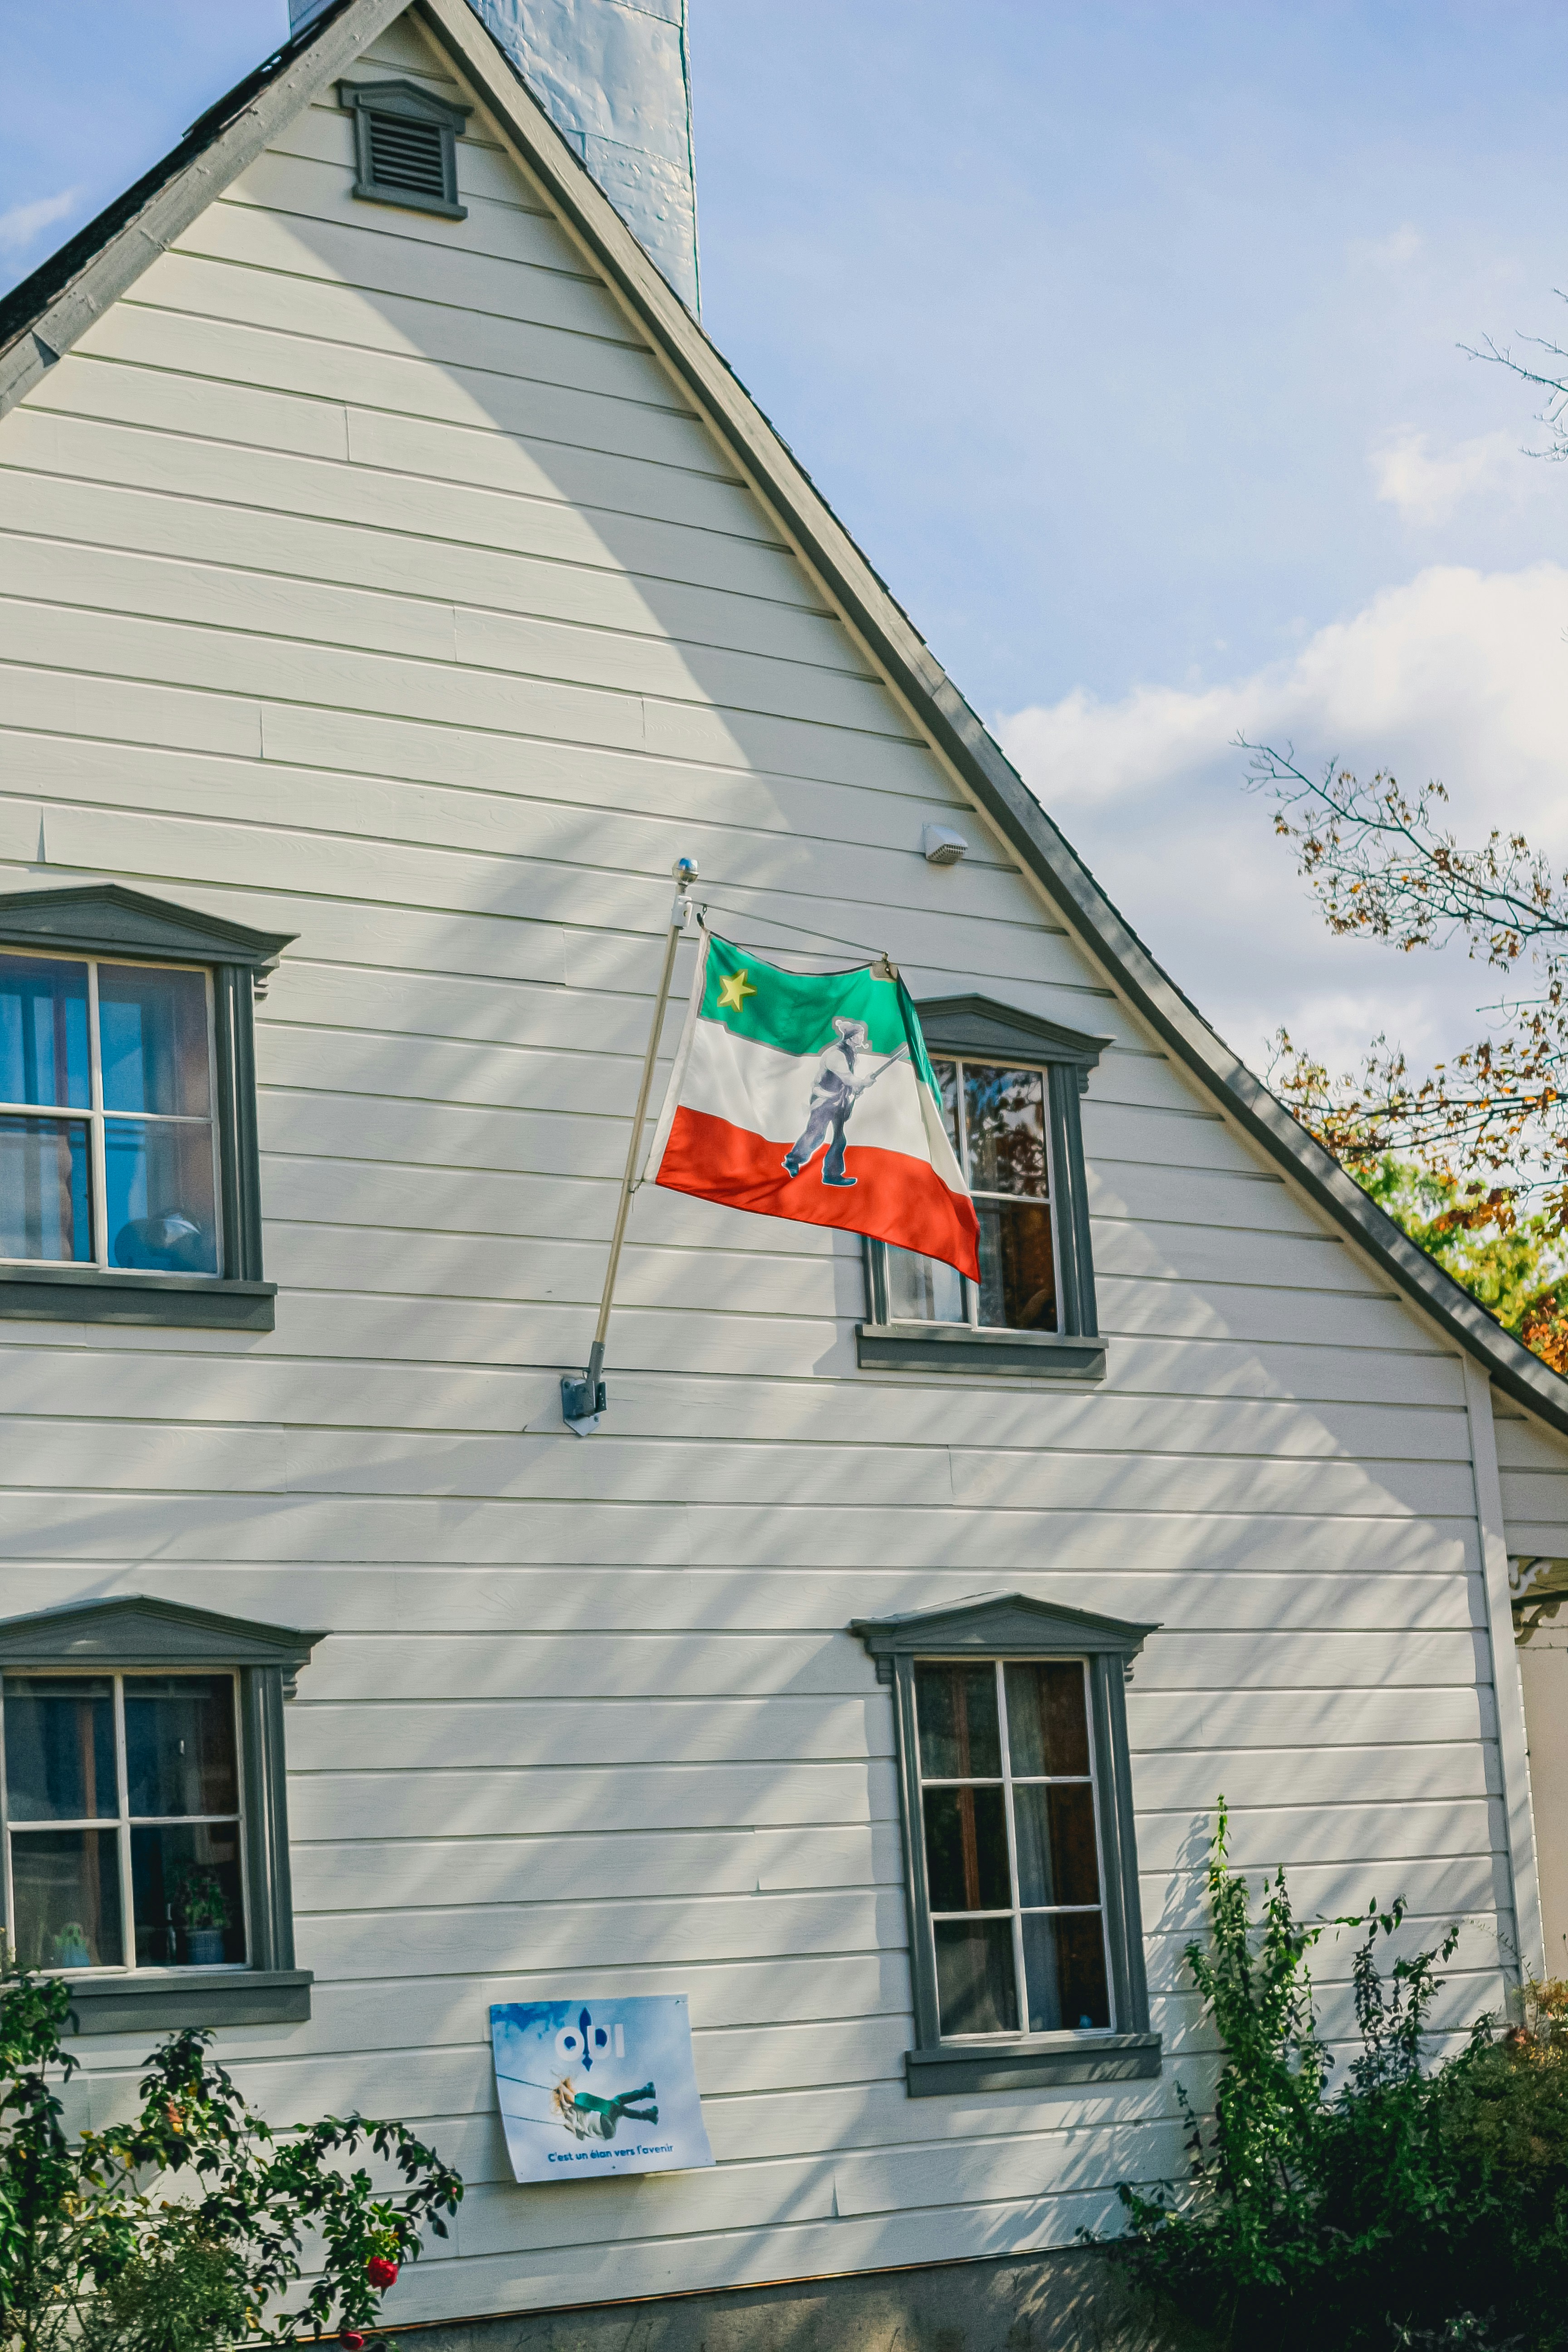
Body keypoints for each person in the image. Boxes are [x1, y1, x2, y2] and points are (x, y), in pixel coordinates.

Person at [782, 1019, 908, 1189]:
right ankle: (793, 1160)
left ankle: (832, 1174)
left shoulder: (850, 1052)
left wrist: (857, 1088)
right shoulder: (836, 1054)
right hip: (825, 1099)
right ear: (851, 1038)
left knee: (839, 1139)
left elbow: (848, 1082)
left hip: (839, 1100)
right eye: (860, 1035)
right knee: (816, 1134)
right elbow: (847, 1078)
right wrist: (862, 1082)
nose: (863, 1037)